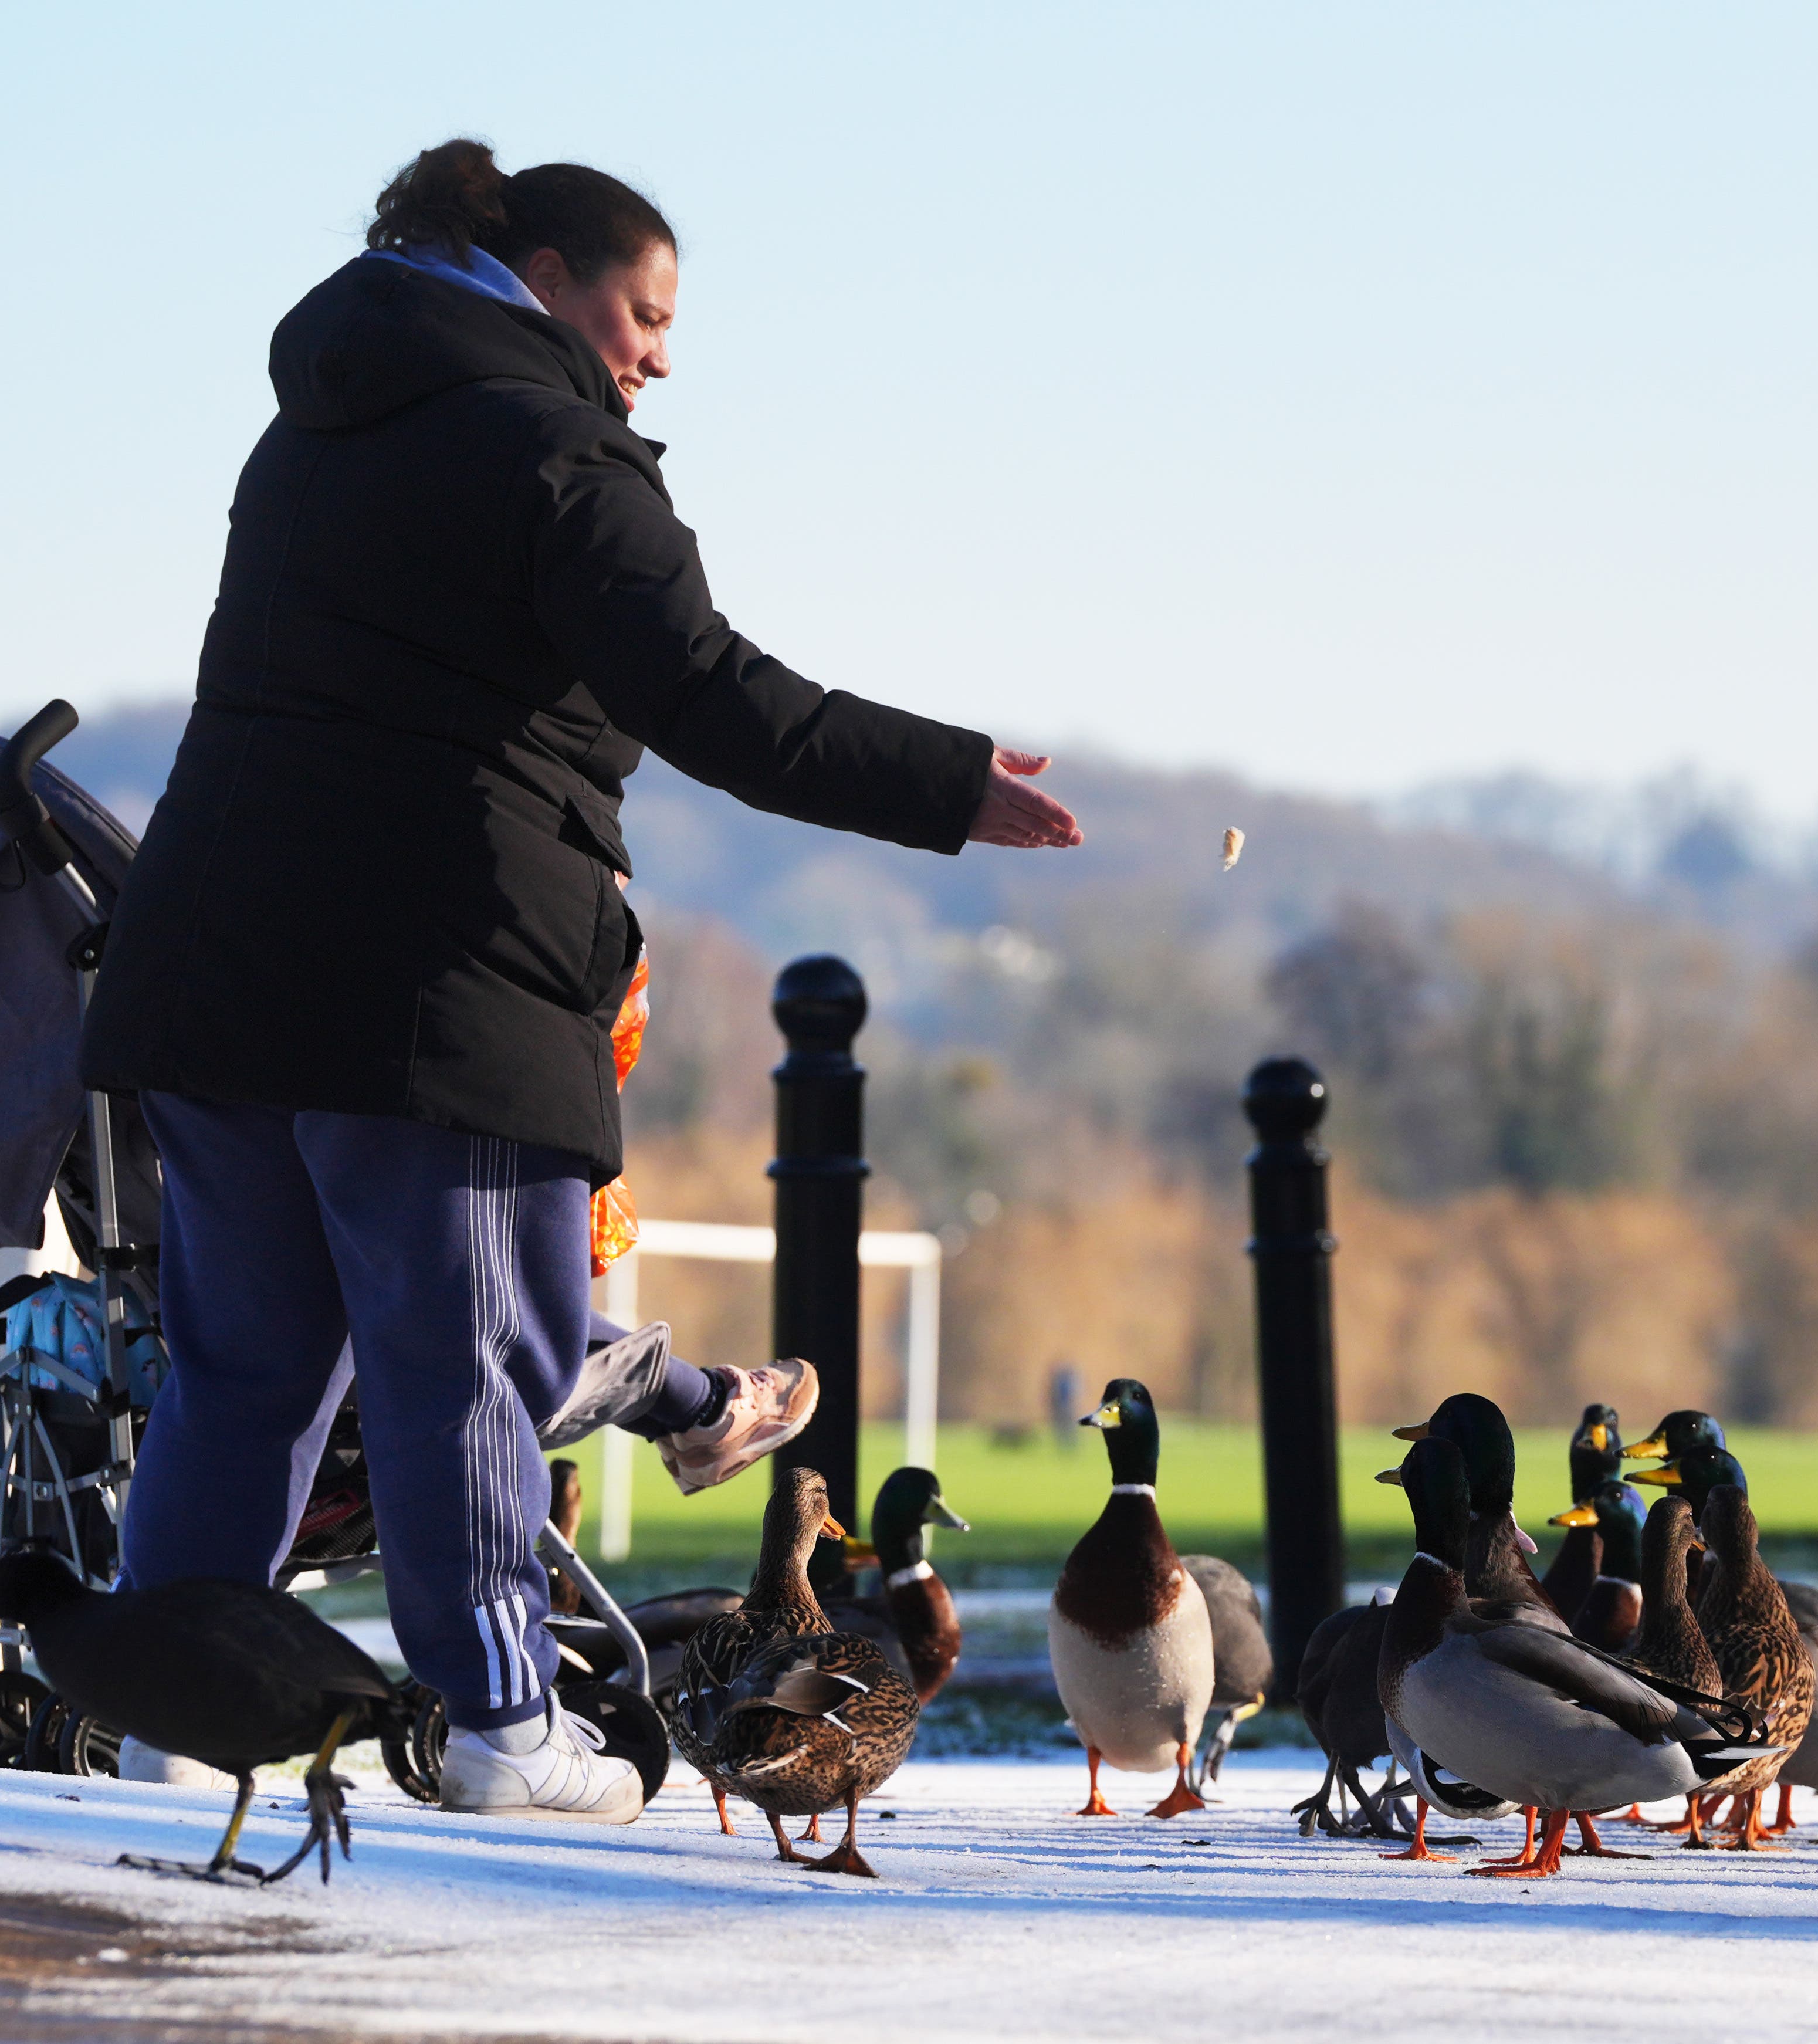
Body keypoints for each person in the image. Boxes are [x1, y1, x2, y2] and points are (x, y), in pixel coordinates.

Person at [79, 140, 1080, 1821]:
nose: (660, 354)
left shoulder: (312, 427)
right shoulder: (552, 451)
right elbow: (706, 694)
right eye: (645, 310)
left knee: (243, 1368)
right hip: (427, 977)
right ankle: (495, 1720)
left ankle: (167, 1717)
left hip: (215, 963)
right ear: (544, 278)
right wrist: (946, 781)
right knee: (462, 1350)